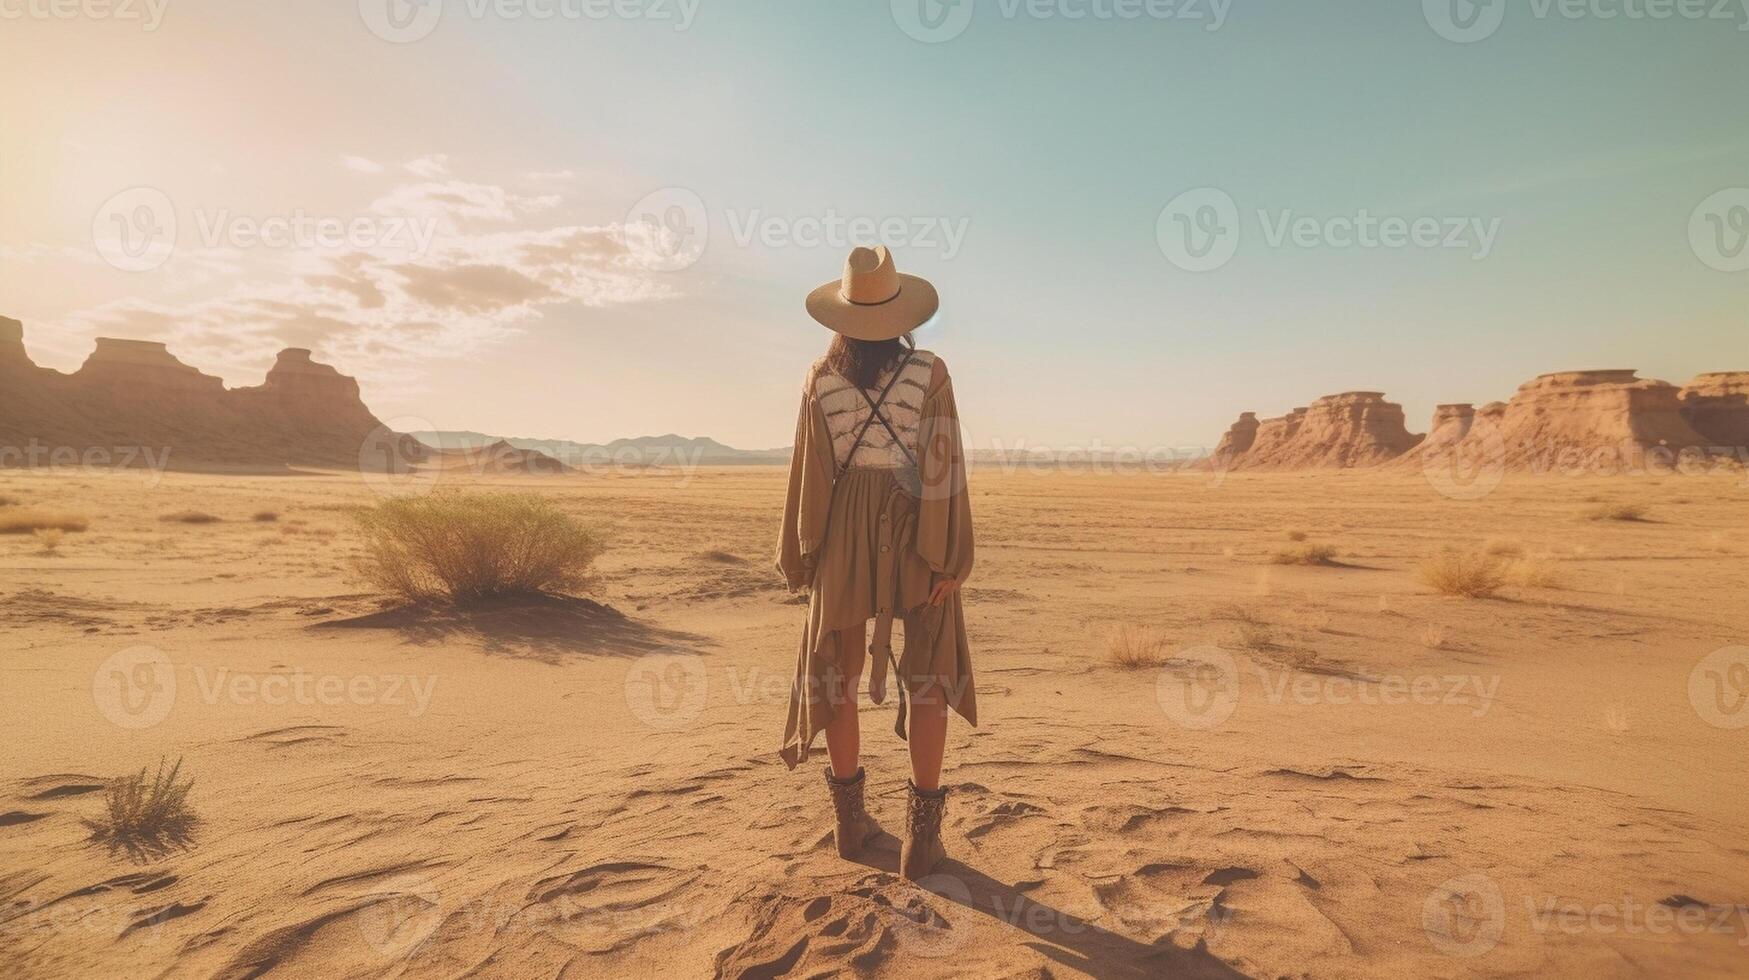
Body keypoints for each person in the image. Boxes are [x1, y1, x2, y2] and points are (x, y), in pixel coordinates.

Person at [776, 245, 977, 881]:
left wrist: (806, 556)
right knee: (930, 672)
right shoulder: (930, 370)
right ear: (900, 313)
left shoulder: (819, 377)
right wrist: (950, 555)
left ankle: (848, 824)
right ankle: (921, 843)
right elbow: (944, 464)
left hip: (841, 532)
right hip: (920, 523)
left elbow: (809, 471)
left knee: (835, 665)